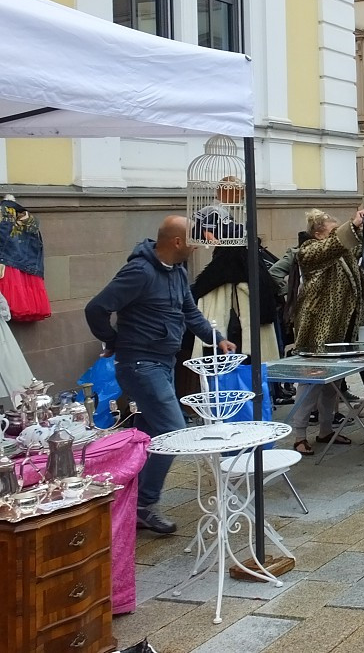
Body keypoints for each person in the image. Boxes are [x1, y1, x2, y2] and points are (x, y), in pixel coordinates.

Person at [85, 215, 236, 534]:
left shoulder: (178, 271)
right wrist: (113, 341)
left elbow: (189, 311)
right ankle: (143, 503)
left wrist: (216, 337)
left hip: (163, 362)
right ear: (177, 242)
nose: (199, 245)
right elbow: (96, 308)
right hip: (139, 365)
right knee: (175, 432)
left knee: (150, 438)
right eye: (194, 239)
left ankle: (127, 503)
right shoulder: (139, 271)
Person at [289, 207, 364, 455]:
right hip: (317, 332)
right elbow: (333, 246)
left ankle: (325, 430)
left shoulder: (341, 251)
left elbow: (359, 249)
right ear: (319, 233)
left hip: (341, 331)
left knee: (334, 385)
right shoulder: (309, 251)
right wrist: (351, 226)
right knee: (311, 384)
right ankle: (299, 435)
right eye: (332, 231)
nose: (336, 235)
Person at [192, 175, 245, 243]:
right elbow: (207, 230)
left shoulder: (222, 208)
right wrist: (214, 241)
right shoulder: (215, 210)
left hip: (225, 232)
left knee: (242, 229)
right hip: (223, 233)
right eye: (239, 196)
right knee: (242, 230)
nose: (240, 199)